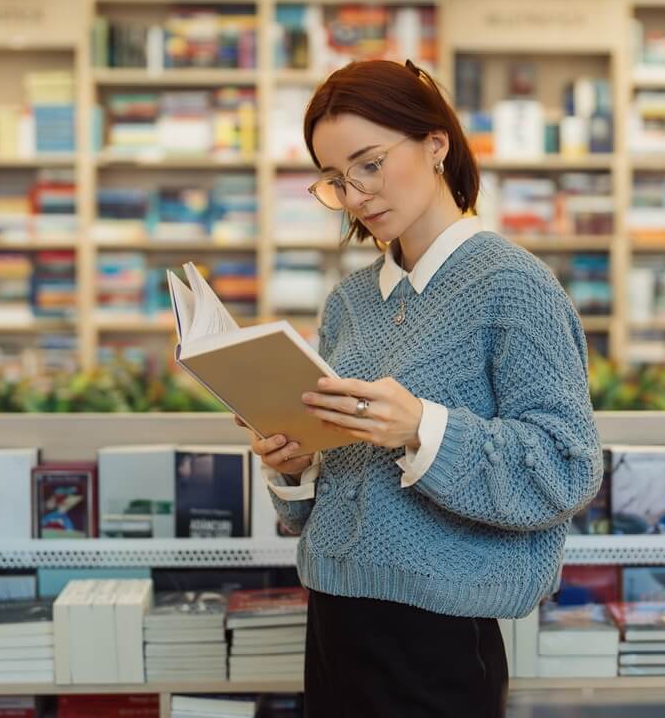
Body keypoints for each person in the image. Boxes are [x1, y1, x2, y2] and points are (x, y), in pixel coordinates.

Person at [236, 58, 603, 717]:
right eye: (334, 180)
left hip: (441, 639)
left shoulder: (513, 287)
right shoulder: (349, 302)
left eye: (370, 164)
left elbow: (568, 466)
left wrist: (422, 428)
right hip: (333, 624)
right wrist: (294, 467)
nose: (355, 195)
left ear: (436, 144)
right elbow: (319, 506)